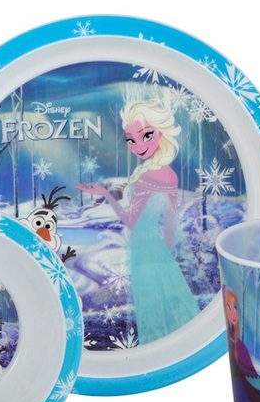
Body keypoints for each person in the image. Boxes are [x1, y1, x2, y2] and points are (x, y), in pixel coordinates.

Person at [77, 99, 199, 345]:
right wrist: (167, 252)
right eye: (131, 140)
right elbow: (170, 219)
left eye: (146, 136)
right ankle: (182, 345)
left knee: (151, 306)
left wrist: (106, 195)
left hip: (143, 248)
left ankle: (157, 347)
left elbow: (131, 220)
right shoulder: (169, 174)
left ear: (162, 132)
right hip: (158, 248)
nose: (138, 146)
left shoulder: (147, 177)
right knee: (171, 299)